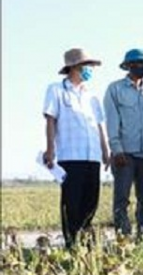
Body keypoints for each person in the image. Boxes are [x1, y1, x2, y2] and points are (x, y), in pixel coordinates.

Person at [42, 48, 109, 248]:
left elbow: (99, 124)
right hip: (71, 156)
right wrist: (50, 149)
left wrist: (105, 151)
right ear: (74, 67)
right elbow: (51, 120)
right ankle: (71, 244)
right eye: (86, 66)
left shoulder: (92, 95)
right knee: (71, 202)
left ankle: (86, 244)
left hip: (93, 156)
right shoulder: (56, 90)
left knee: (91, 201)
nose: (90, 70)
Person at [104, 48, 143, 237]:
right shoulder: (115, 89)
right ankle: (124, 238)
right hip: (124, 155)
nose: (141, 68)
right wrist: (116, 149)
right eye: (137, 64)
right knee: (122, 199)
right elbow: (112, 121)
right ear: (128, 66)